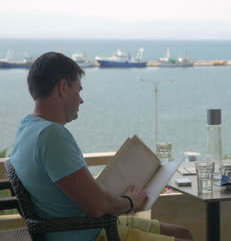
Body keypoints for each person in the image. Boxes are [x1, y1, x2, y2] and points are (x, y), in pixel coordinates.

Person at [9, 52, 193, 241]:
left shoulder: (27, 128)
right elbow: (97, 207)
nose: (81, 100)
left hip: (84, 225)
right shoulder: (51, 136)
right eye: (78, 90)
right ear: (63, 87)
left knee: (183, 234)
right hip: (91, 232)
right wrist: (130, 201)